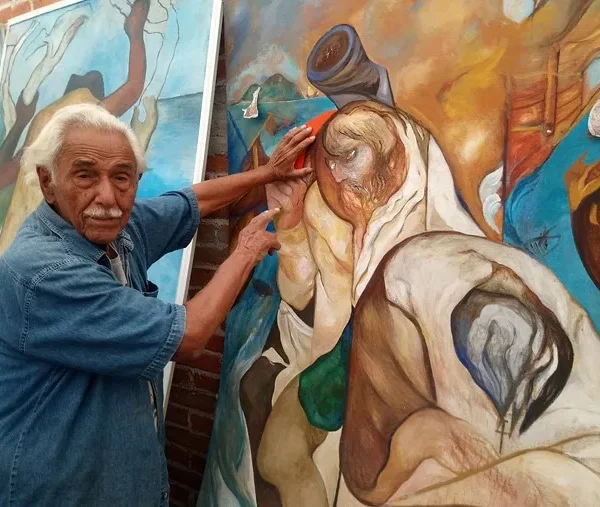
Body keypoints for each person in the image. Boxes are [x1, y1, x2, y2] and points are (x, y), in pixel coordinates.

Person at [0, 102, 315, 506]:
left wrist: (267, 173)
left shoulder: (116, 228)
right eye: (85, 175)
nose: (107, 197)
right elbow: (189, 336)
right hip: (67, 490)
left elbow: (190, 202)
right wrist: (246, 252)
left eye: (122, 177)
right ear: (47, 182)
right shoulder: (44, 272)